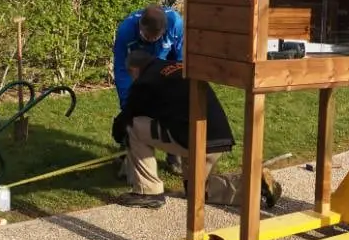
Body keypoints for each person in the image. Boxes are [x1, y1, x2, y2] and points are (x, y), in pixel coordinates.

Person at [112, 51, 281, 210]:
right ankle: (257, 186)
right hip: (218, 138)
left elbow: (127, 117)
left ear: (133, 70)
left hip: (192, 138)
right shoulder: (179, 67)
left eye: (130, 75)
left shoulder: (146, 80)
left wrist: (121, 137)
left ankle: (148, 192)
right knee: (197, 192)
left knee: (132, 126)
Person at [112, 4, 185, 175]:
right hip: (137, 67)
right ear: (140, 28)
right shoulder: (126, 31)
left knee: (171, 106)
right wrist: (127, 102)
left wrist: (176, 86)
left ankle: (174, 153)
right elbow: (122, 70)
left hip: (166, 66)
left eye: (156, 37)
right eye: (147, 37)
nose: (152, 40)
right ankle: (128, 151)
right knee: (134, 109)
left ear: (164, 30)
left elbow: (181, 59)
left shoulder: (176, 24)